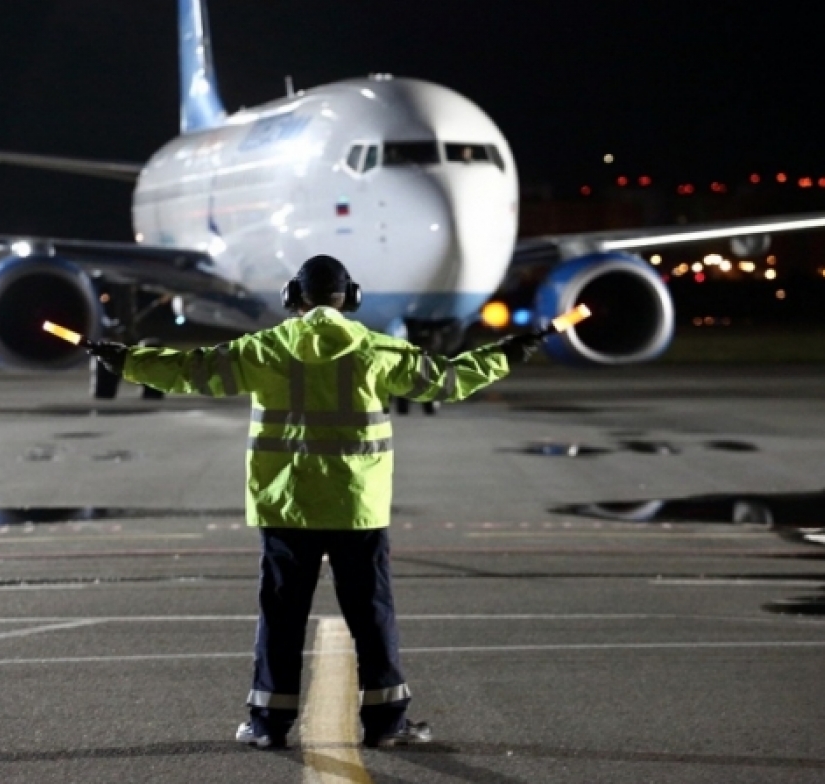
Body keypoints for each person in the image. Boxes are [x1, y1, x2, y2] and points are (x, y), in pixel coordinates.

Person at [87, 255, 540, 750]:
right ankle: (387, 723)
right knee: (371, 615)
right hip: (355, 507)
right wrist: (507, 353)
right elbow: (450, 380)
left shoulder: (266, 349)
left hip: (287, 504)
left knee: (281, 618)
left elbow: (192, 371)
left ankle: (267, 724)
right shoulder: (375, 350)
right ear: (351, 298)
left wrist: (128, 361)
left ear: (293, 298)